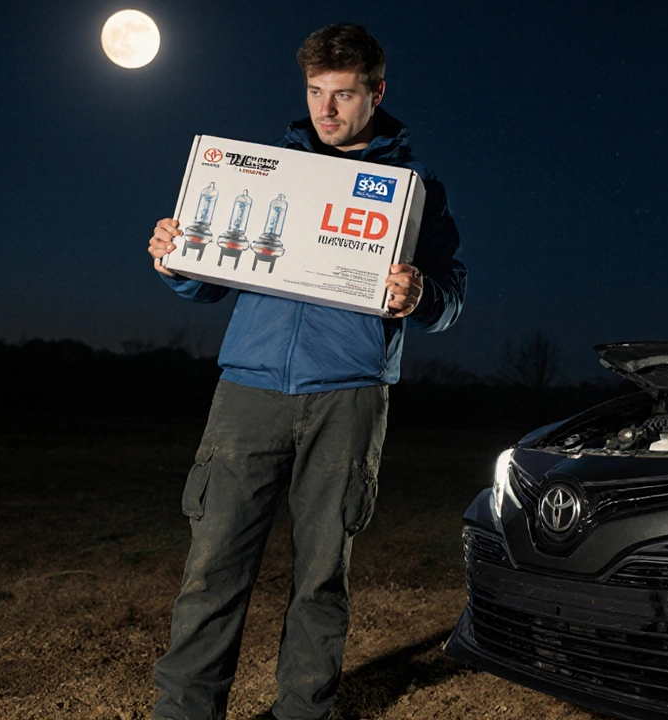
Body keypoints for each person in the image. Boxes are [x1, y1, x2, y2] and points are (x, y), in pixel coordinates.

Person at [145, 22, 466, 720]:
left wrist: (421, 295)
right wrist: (175, 258)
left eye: (344, 95)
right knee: (212, 568)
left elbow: (450, 299)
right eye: (316, 92)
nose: (327, 110)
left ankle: (305, 711)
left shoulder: (415, 190)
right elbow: (206, 284)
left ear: (376, 93)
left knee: (321, 577)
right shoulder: (263, 171)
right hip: (248, 389)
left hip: (349, 396)